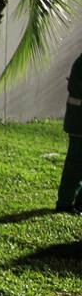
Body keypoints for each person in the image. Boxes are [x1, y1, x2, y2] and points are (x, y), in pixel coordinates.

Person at [56, 53, 82, 214]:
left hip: (77, 121)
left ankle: (76, 202)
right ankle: (65, 203)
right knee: (75, 166)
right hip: (79, 123)